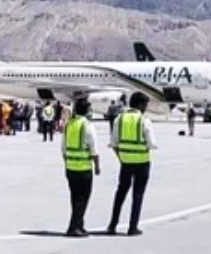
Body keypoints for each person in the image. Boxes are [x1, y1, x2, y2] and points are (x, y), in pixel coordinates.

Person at [107, 92, 157, 236]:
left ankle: (112, 225)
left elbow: (114, 143)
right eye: (145, 105)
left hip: (125, 162)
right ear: (140, 105)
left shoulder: (120, 119)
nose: (146, 107)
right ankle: (132, 227)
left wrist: (122, 157)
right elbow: (152, 144)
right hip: (142, 162)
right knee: (138, 194)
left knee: (120, 193)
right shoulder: (143, 120)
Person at [62, 98, 100, 237]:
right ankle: (73, 227)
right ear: (87, 110)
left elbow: (63, 148)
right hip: (83, 168)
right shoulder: (87, 125)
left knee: (75, 198)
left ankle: (79, 225)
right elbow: (94, 149)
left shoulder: (69, 125)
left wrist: (67, 163)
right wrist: (97, 166)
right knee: (83, 199)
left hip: (70, 167)